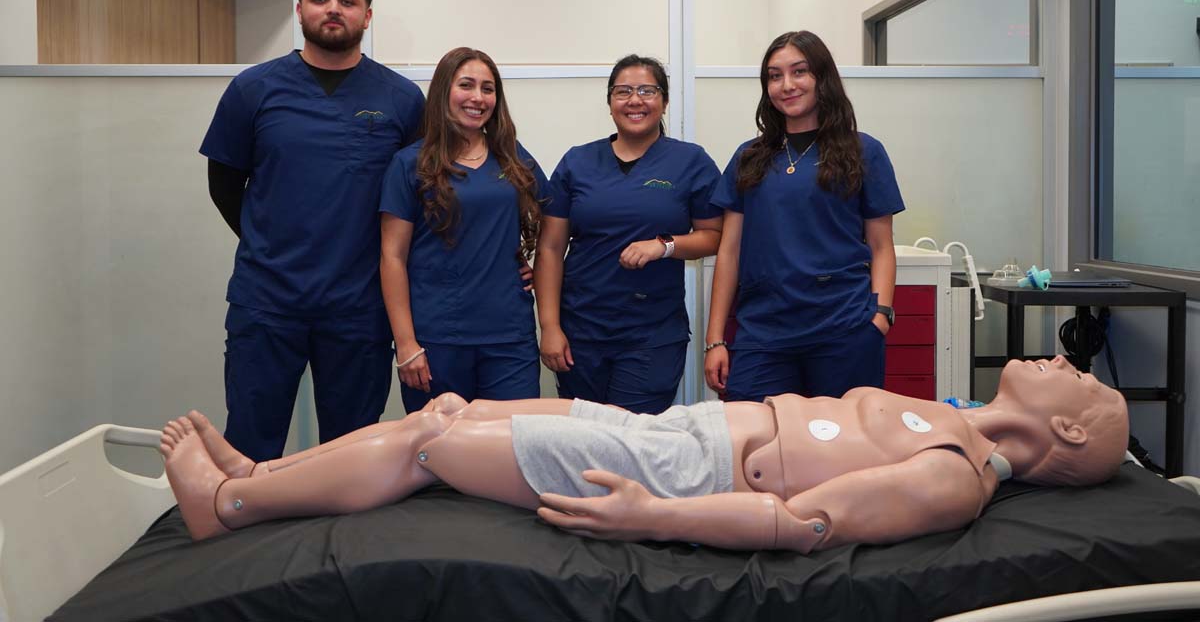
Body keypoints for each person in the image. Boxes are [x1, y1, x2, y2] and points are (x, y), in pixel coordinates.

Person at [161, 355, 1129, 551]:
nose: (1056, 355)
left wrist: (649, 515)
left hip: (682, 471)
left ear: (1073, 432)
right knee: (453, 403)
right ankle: (260, 473)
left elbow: (801, 524)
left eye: (1076, 376)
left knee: (430, 439)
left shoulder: (954, 479)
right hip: (675, 424)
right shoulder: (952, 417)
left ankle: (233, 508)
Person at [200, 0, 425, 463]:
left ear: (367, 16)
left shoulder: (402, 100)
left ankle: (338, 545)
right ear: (298, 8)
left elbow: (420, 201)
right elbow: (224, 184)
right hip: (268, 301)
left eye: (347, 1)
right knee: (251, 448)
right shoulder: (253, 89)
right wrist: (272, 241)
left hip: (359, 305)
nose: (333, 9)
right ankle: (250, 539)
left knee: (350, 453)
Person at [704, 31, 905, 402]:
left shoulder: (863, 151)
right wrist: (715, 338)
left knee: (842, 446)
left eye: (799, 72)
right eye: (774, 76)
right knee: (753, 441)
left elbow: (881, 245)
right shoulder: (750, 157)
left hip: (843, 327)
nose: (787, 85)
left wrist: (880, 316)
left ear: (822, 78)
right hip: (763, 331)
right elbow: (729, 251)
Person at [535, 55, 722, 413]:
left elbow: (714, 236)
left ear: (664, 101)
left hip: (652, 334)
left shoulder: (690, 161)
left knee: (634, 440)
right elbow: (550, 247)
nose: (635, 100)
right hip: (581, 331)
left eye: (647, 90)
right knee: (582, 439)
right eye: (623, 92)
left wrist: (664, 246)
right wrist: (550, 326)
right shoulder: (578, 162)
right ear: (610, 104)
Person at [379, 47, 547, 413]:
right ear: (444, 92)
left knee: (509, 449)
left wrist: (541, 268)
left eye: (488, 89)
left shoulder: (512, 157)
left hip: (509, 337)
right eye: (466, 85)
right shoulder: (410, 163)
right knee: (440, 457)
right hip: (437, 338)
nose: (478, 97)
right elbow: (392, 257)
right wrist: (406, 344)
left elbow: (557, 219)